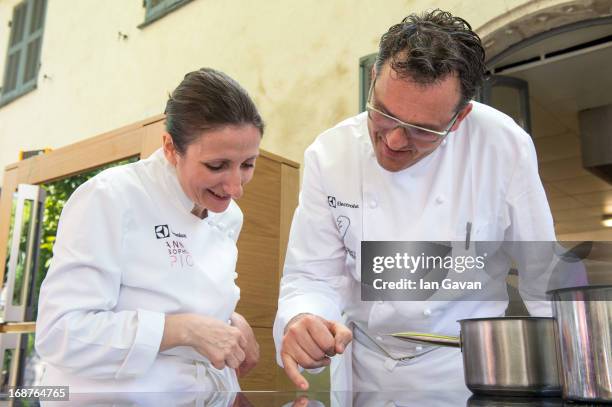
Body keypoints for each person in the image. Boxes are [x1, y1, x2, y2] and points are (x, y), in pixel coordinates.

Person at [274, 9, 556, 392]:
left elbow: (543, 278)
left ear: (459, 120)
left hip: (462, 371)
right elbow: (311, 275)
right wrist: (302, 318)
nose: (392, 141)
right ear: (374, 78)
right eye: (384, 114)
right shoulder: (330, 155)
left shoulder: (502, 147)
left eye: (422, 130)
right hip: (365, 367)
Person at [36, 67, 263, 392]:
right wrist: (184, 330)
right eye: (217, 166)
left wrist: (232, 323)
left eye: (248, 165)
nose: (235, 187)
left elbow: (189, 292)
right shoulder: (110, 197)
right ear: (171, 148)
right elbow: (61, 332)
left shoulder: (228, 216)